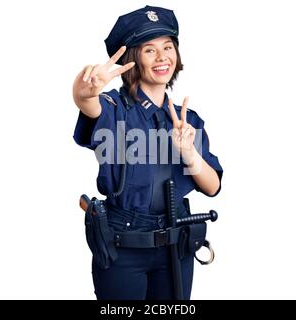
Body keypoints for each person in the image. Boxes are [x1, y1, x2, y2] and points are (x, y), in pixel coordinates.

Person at [72, 5, 223, 300]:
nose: (162, 56)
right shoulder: (113, 108)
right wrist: (85, 90)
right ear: (133, 60)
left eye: (168, 47)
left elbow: (213, 186)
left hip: (175, 247)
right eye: (149, 50)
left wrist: (189, 153)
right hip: (123, 248)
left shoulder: (187, 119)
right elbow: (87, 102)